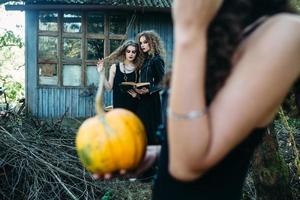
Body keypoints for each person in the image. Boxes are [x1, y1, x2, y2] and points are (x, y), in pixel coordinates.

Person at [149, 0, 300, 199]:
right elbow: (207, 131)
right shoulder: (221, 24)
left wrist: (189, 32)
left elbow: (188, 164)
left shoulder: (286, 31)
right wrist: (163, 153)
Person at [134, 30, 166, 145]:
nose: (142, 45)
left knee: (151, 130)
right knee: (142, 129)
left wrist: (149, 90)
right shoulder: (143, 60)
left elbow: (163, 83)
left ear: (152, 43)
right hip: (141, 98)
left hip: (152, 100)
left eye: (145, 42)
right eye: (141, 43)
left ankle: (155, 157)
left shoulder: (157, 60)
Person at [97, 40, 143, 113]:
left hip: (134, 108)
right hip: (118, 109)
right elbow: (109, 88)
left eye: (133, 52)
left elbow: (141, 91)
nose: (131, 54)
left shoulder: (139, 69)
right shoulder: (114, 67)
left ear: (136, 54)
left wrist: (137, 95)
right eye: (128, 51)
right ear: (124, 52)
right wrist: (101, 73)